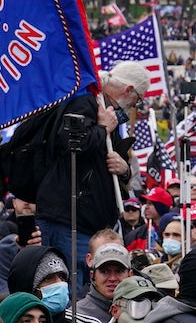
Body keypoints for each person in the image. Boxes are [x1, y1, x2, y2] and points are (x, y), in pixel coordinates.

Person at [34, 63, 145, 287]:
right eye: (138, 99)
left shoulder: (109, 114)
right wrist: (102, 129)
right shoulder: (85, 102)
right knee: (70, 292)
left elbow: (105, 166)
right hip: (69, 219)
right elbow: (69, 143)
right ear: (129, 90)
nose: (135, 106)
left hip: (91, 224)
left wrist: (124, 170)